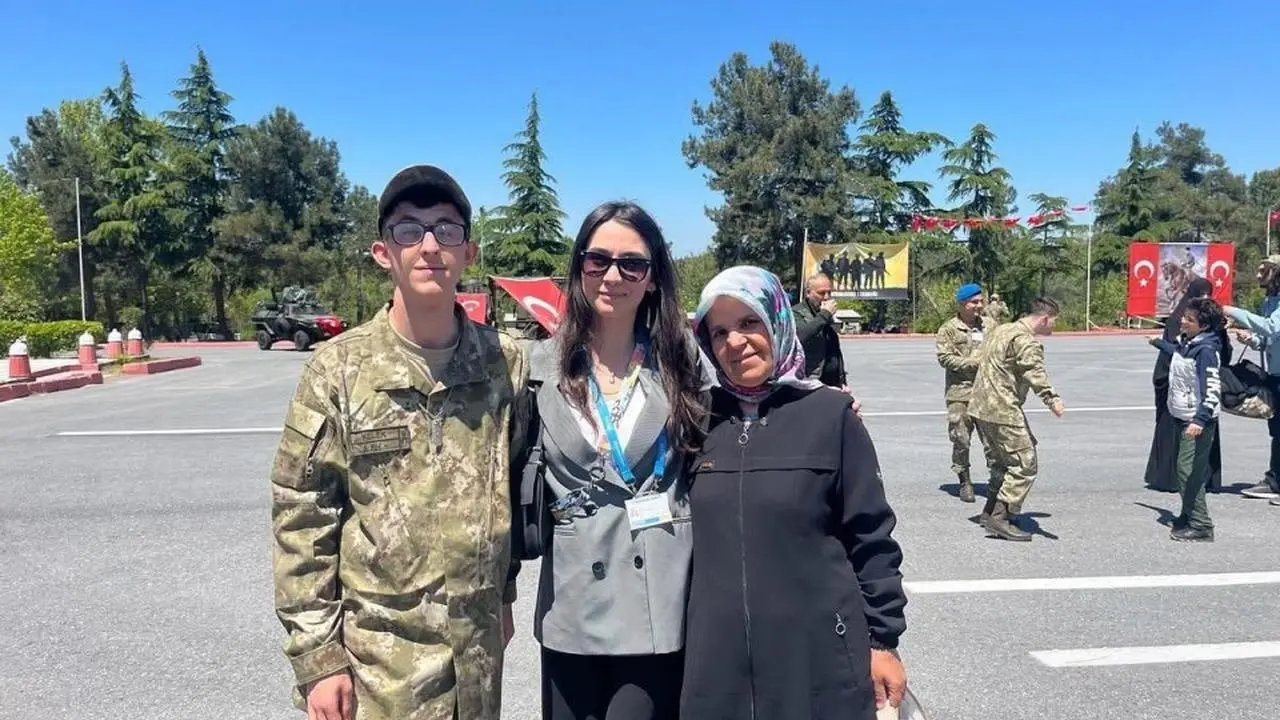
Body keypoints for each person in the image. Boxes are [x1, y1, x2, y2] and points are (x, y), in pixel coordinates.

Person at [270, 165, 527, 720]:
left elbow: (508, 488)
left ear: (468, 253)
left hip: (477, 659)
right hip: (380, 668)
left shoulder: (503, 363)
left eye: (447, 230)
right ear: (383, 253)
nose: (430, 245)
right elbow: (302, 517)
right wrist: (318, 659)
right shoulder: (338, 371)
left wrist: (502, 594)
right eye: (410, 229)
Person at [680, 266, 908, 720]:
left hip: (816, 659)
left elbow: (871, 536)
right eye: (719, 332)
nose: (735, 342)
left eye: (749, 322)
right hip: (717, 666)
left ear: (778, 322)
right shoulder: (696, 420)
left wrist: (882, 641)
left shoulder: (830, 415)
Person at [524, 200, 712, 720]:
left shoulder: (682, 361)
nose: (613, 276)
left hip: (656, 597)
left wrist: (817, 404)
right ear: (579, 268)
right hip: (572, 599)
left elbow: (747, 404)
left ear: (652, 278)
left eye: (632, 264)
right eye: (598, 260)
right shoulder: (537, 367)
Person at [968, 297, 1066, 542]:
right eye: (1054, 321)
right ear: (1044, 319)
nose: (1054, 326)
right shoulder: (1025, 340)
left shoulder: (1001, 330)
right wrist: (1052, 398)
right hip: (1003, 409)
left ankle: (989, 511)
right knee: (1025, 464)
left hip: (981, 406)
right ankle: (1000, 518)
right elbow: (1033, 371)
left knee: (1002, 463)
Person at [1147, 297, 1224, 541]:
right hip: (1182, 415)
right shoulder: (1189, 343)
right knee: (1185, 470)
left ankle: (1201, 524)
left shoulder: (1206, 351)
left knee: (1188, 471)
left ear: (1204, 326)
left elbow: (1212, 389)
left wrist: (1200, 420)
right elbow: (1179, 354)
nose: (1183, 321)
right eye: (1184, 316)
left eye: (1189, 319)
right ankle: (1188, 514)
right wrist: (1159, 343)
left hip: (1196, 420)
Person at [1145, 278, 1228, 493]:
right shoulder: (1194, 320)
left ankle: (1182, 483)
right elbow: (1180, 351)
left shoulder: (1193, 321)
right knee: (1183, 435)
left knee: (1188, 436)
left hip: (1187, 387)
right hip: (1180, 386)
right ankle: (1187, 483)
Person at [1225, 256, 1280, 503]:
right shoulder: (1271, 301)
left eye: (1263, 270)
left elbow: (1272, 327)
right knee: (1277, 432)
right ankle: (1275, 481)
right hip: (1275, 374)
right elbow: (1270, 338)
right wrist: (1254, 340)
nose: (1258, 275)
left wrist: (1233, 311)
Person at [934, 282, 994, 503]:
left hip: (987, 391)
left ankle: (996, 482)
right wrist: (973, 363)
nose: (979, 306)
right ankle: (964, 481)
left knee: (992, 441)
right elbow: (945, 358)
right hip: (960, 393)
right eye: (973, 302)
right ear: (962, 303)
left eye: (981, 301)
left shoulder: (990, 325)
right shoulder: (948, 329)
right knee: (961, 439)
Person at [793, 272, 848, 390]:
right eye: (821, 293)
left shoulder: (824, 316)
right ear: (808, 293)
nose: (826, 297)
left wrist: (842, 380)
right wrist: (825, 314)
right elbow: (800, 337)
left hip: (832, 384)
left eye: (829, 293)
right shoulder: (797, 313)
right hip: (809, 382)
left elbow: (834, 350)